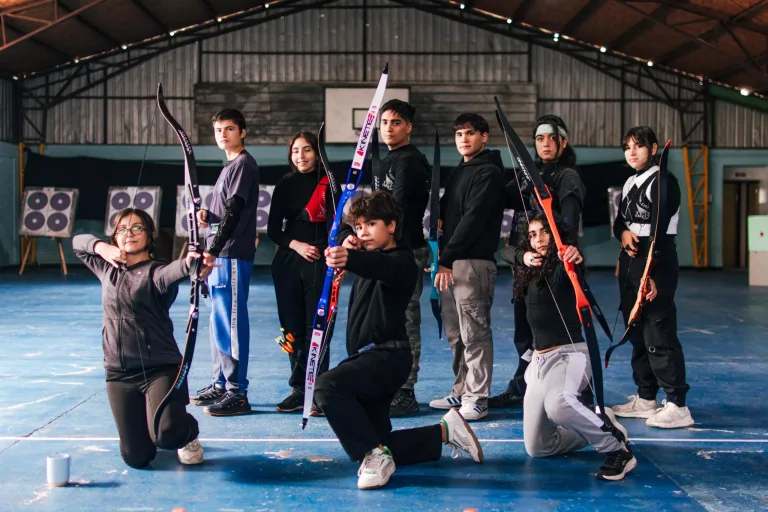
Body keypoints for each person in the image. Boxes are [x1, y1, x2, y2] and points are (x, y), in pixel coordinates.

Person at [314, 191, 483, 490]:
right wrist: (347, 238)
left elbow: (381, 268)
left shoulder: (402, 261)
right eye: (359, 226)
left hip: (387, 359)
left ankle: (374, 457)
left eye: (371, 225)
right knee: (380, 441)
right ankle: (444, 431)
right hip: (367, 358)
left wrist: (350, 256)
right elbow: (345, 232)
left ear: (391, 226)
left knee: (327, 386)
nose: (363, 232)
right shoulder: (369, 253)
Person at [72, 209, 204, 468]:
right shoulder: (106, 268)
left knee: (167, 436)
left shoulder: (156, 272)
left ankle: (187, 432)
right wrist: (101, 248)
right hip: (119, 374)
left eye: (137, 228)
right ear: (115, 236)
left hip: (160, 370)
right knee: (137, 457)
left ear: (150, 234)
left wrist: (192, 263)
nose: (128, 234)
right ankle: (158, 426)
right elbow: (78, 243)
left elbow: (176, 271)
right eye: (122, 229)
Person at [517, 211, 636, 481]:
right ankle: (601, 420)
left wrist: (573, 256)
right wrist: (521, 256)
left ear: (556, 233)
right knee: (538, 448)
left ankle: (616, 448)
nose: (539, 239)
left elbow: (574, 263)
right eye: (533, 234)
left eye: (545, 231)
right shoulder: (528, 267)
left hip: (570, 355)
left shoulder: (564, 265)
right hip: (538, 364)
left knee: (558, 405)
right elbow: (509, 252)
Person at [490, 115, 587, 409]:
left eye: (551, 137)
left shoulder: (567, 176)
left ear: (563, 141)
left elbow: (568, 227)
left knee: (559, 331)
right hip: (527, 267)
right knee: (525, 332)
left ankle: (576, 389)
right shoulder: (527, 174)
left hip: (556, 268)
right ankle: (524, 384)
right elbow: (500, 198)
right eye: (539, 139)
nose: (545, 144)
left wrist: (562, 255)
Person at [611, 126, 693, 429]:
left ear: (654, 148)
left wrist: (652, 272)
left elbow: (658, 228)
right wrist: (623, 232)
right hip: (632, 257)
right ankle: (646, 398)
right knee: (636, 329)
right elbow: (620, 220)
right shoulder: (631, 180)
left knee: (658, 330)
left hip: (656, 258)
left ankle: (677, 404)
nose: (632, 152)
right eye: (627, 147)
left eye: (639, 146)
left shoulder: (664, 181)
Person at [430, 113, 506, 421]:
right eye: (459, 133)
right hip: (451, 261)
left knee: (474, 332)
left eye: (470, 133)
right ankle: (461, 390)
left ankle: (477, 397)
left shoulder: (487, 172)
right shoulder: (461, 171)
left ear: (484, 136)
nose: (464, 138)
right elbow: (454, 216)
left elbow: (473, 219)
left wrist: (447, 257)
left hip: (472, 262)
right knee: (456, 334)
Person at [190, 108, 260, 416]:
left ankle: (237, 392)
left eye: (229, 129)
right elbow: (225, 211)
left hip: (229, 254)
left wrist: (213, 250)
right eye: (219, 129)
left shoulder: (243, 164)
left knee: (229, 323)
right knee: (217, 323)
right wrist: (209, 214)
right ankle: (220, 383)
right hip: (221, 254)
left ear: (242, 132)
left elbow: (235, 211)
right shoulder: (230, 166)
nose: (223, 134)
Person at [268, 131, 339, 415]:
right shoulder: (285, 184)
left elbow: (337, 224)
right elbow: (275, 230)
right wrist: (296, 245)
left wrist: (336, 258)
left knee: (318, 327)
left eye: (307, 150)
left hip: (320, 262)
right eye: (296, 151)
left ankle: (318, 389)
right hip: (288, 262)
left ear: (318, 152)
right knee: (292, 328)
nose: (301, 156)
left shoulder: (330, 181)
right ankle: (299, 389)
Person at [375, 99, 431, 417]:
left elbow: (392, 211)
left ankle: (406, 390)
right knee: (390, 321)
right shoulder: (391, 159)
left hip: (406, 252)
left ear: (408, 127)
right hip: (391, 252)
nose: (389, 128)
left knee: (407, 322)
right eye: (384, 122)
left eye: (396, 122)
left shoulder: (409, 161)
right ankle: (394, 383)